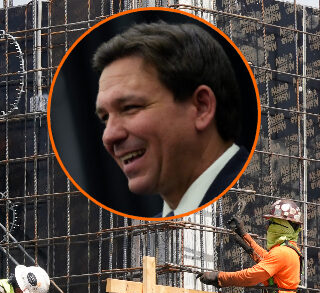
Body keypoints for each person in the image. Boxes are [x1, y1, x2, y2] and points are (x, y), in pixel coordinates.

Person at [93, 21, 249, 217]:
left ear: (202, 107)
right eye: (105, 117)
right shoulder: (153, 237)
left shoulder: (267, 201)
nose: (109, 136)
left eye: (130, 107)